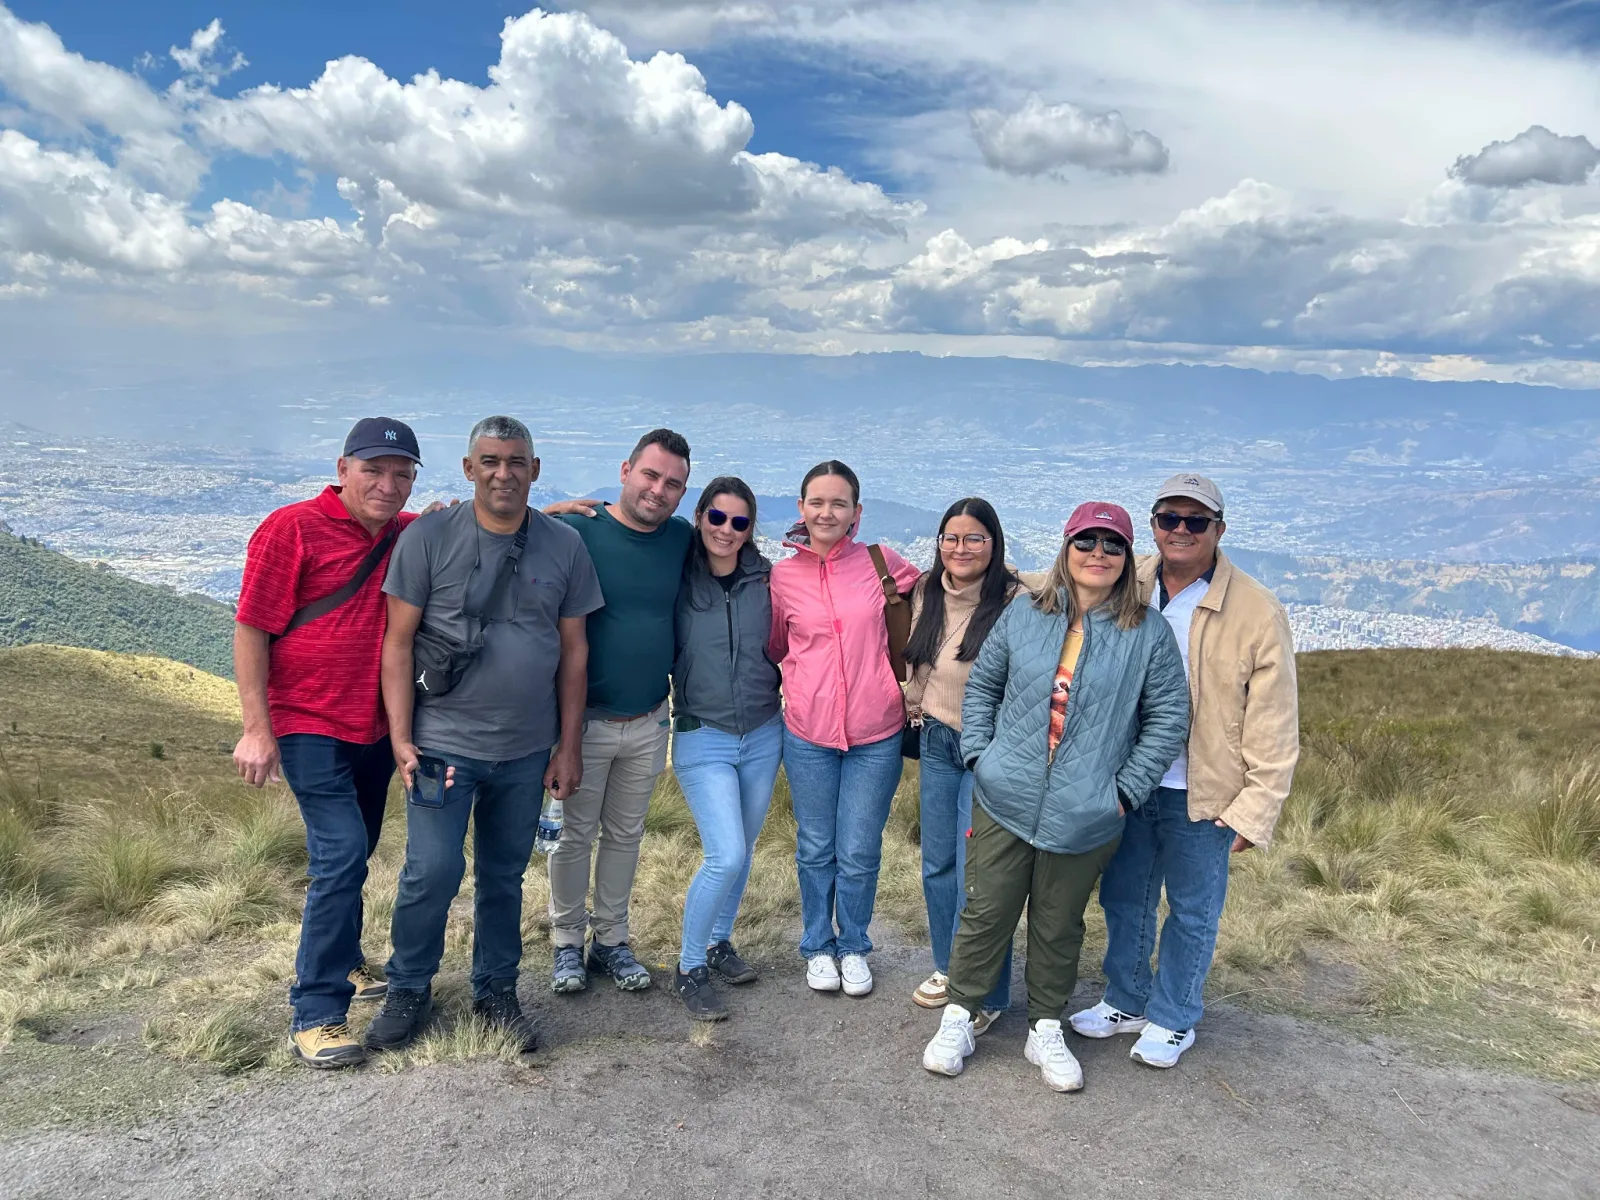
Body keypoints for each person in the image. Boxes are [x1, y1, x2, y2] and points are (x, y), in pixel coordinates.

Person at [922, 502, 1188, 1092]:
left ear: (1127, 558)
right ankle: (960, 1016)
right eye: (1086, 542)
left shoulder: (1148, 633)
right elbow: (984, 686)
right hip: (1005, 795)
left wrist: (1122, 792)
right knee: (986, 909)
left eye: (1112, 545)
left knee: (1058, 922)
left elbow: (1168, 718)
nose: (1098, 554)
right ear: (1066, 550)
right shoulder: (1026, 615)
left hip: (1086, 810)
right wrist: (981, 759)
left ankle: (1044, 1025)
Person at [366, 416, 602, 1054]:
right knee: (431, 871)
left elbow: (574, 651)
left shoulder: (563, 546)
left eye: (516, 461)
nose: (504, 473)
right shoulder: (430, 538)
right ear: (469, 469)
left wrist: (568, 744)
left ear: (534, 469)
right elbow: (397, 641)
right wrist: (399, 735)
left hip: (526, 750)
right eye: (490, 461)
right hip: (442, 743)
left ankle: (496, 992)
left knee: (503, 876)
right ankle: (407, 989)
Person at [1070, 473, 1299, 1068]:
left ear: (1219, 530)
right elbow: (1058, 592)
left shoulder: (1255, 610)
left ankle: (1174, 1017)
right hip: (1129, 777)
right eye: (1169, 518)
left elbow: (1275, 722)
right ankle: (1127, 1000)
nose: (1180, 530)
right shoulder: (1130, 578)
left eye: (1195, 521)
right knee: (1124, 897)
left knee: (1192, 910)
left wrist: (1256, 807)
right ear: (1152, 524)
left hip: (1207, 790)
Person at [232, 417, 424, 1069]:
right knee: (341, 854)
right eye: (374, 470)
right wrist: (257, 728)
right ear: (343, 469)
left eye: (401, 474)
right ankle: (316, 1011)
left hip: (372, 726)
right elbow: (252, 629)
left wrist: (567, 510)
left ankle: (343, 962)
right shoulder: (290, 530)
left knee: (359, 848)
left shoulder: (406, 533)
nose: (387, 484)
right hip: (305, 723)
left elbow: (477, 520)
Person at [548, 429, 694, 993]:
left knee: (626, 835)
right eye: (651, 475)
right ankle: (566, 944)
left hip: (651, 717)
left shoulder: (681, 538)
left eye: (673, 483)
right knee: (572, 836)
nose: (658, 490)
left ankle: (611, 941)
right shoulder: (576, 529)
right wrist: (548, 509)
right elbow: (504, 527)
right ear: (626, 469)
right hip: (582, 721)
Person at [769, 460, 921, 998]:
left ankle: (853, 944)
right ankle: (816, 945)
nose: (827, 512)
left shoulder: (883, 563)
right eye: (817, 502)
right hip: (808, 731)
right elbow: (777, 647)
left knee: (858, 848)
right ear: (801, 508)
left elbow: (940, 599)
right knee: (814, 846)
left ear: (857, 511)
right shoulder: (782, 576)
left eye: (839, 503)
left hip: (876, 731)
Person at [669, 477, 784, 1021]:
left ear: (750, 527)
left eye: (739, 522)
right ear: (700, 516)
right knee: (727, 853)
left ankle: (719, 943)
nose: (726, 530)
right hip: (702, 732)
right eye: (718, 518)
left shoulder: (768, 580)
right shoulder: (675, 573)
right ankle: (689, 967)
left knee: (743, 849)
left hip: (763, 731)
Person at [905, 498, 1021, 1031]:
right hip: (935, 740)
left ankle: (988, 991)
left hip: (986, 750)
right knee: (938, 864)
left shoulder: (1016, 600)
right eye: (952, 538)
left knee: (980, 871)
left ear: (994, 544)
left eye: (974, 538)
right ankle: (951, 968)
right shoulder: (929, 591)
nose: (961, 548)